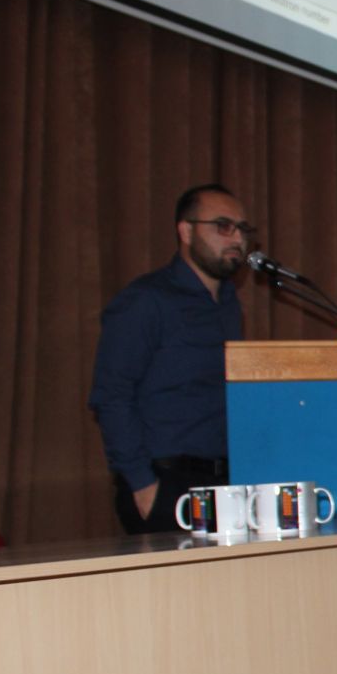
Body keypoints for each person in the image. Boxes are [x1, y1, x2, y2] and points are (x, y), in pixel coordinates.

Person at [89, 183, 251, 533]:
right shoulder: (146, 300)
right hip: (167, 483)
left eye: (242, 229)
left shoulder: (228, 305)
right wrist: (143, 485)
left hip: (224, 482)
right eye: (223, 226)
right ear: (186, 231)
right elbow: (111, 395)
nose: (237, 238)